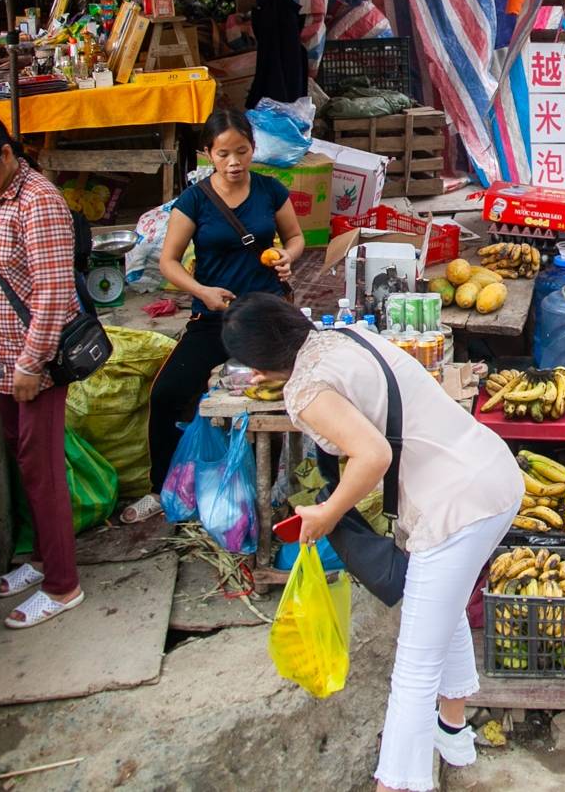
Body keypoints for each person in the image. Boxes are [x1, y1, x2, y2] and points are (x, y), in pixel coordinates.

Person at [223, 293, 521, 792]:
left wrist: (326, 511)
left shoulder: (305, 390)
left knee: (413, 668)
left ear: (258, 362)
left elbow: (373, 455)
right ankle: (453, 734)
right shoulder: (345, 334)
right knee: (439, 613)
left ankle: (398, 783)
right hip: (492, 475)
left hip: (455, 508)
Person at [119, 107, 304, 525]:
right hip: (212, 317)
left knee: (271, 403)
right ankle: (160, 487)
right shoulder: (195, 200)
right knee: (167, 394)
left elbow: (294, 237)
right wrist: (202, 291)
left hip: (263, 315)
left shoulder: (271, 191)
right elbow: (168, 262)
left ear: (254, 149)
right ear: (208, 154)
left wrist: (287, 259)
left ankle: (268, 493)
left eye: (242, 151)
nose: (234, 162)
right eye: (223, 154)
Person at [0, 110, 84, 629]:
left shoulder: (40, 201)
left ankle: (63, 584)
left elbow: (52, 292)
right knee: (21, 458)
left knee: (41, 467)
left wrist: (32, 362)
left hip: (35, 361)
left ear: (6, 155)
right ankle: (45, 557)